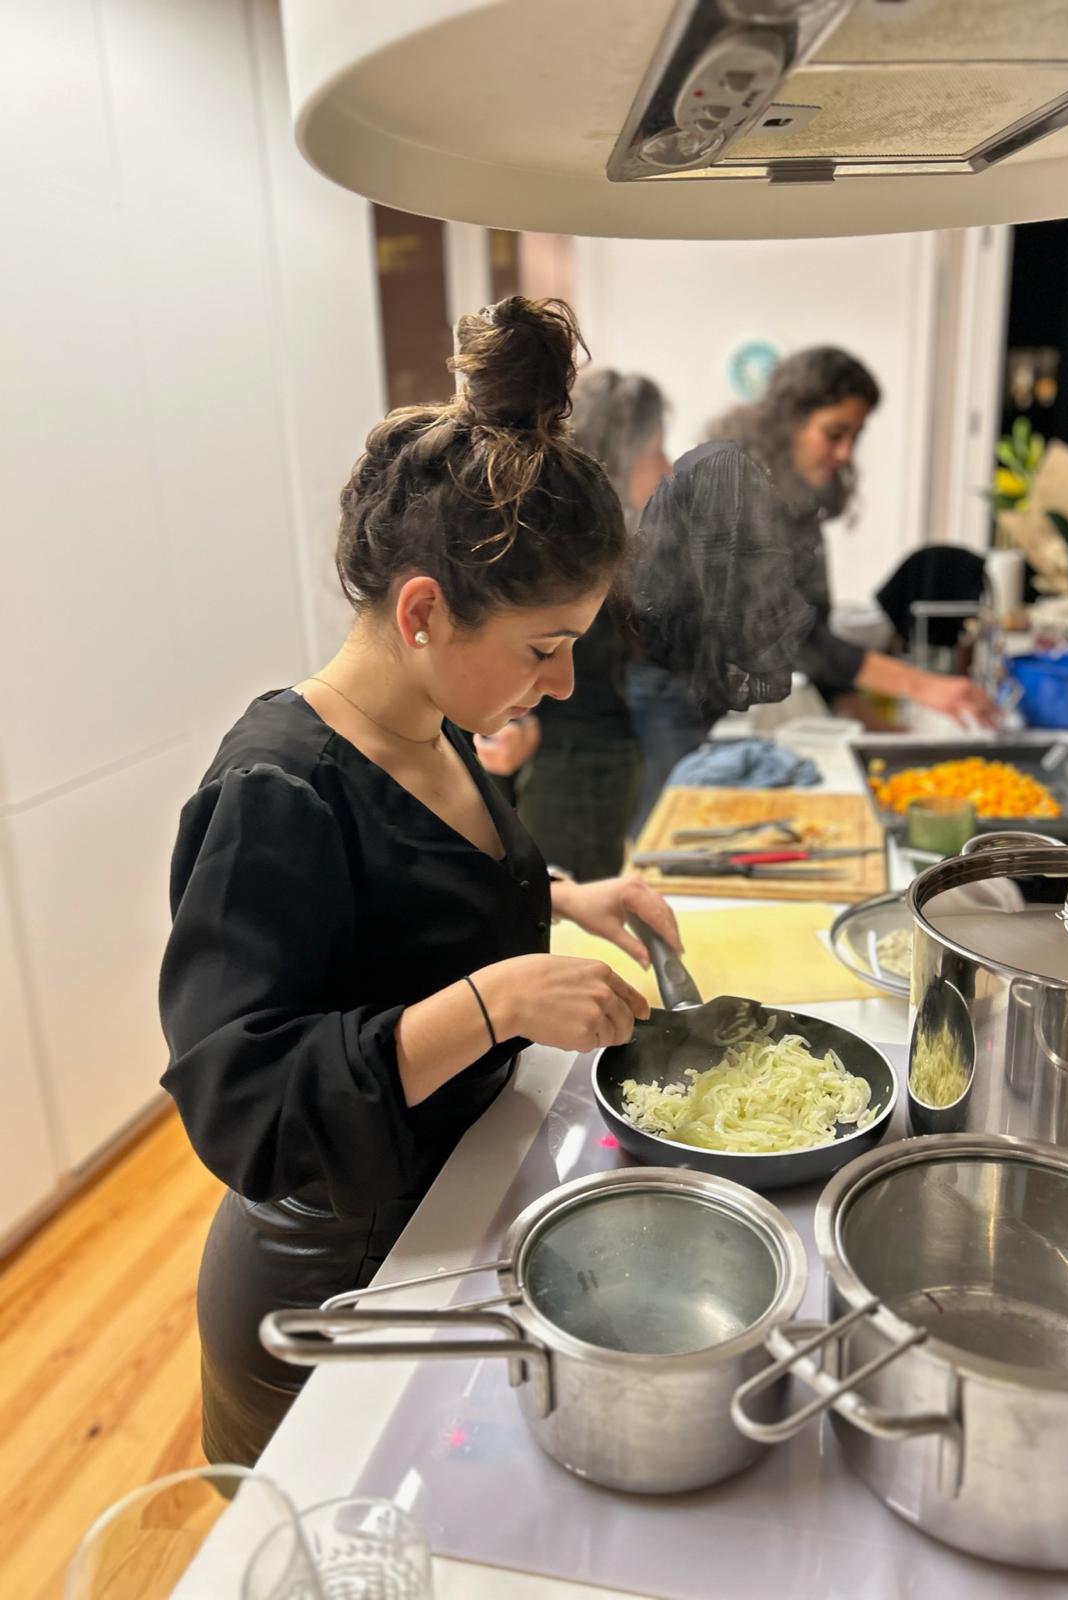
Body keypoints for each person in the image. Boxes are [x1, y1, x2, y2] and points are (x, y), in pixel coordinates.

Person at [158, 297, 682, 1467]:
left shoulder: (434, 727)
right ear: (422, 611)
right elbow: (239, 1101)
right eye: (543, 647)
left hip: (444, 1212)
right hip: (326, 1285)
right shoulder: (275, 790)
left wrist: (567, 897)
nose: (556, 685)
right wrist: (494, 1006)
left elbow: (409, 900)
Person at [711, 346, 997, 728]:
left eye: (855, 436)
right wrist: (921, 685)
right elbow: (790, 639)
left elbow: (815, 628)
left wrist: (855, 711)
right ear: (787, 422)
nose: (845, 453)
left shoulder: (797, 505)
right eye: (834, 434)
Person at [477, 369, 670, 878]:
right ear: (620, 453)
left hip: (593, 751)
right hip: (573, 761)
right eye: (656, 450)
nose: (667, 467)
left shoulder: (606, 536)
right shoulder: (567, 543)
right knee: (573, 916)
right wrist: (516, 723)